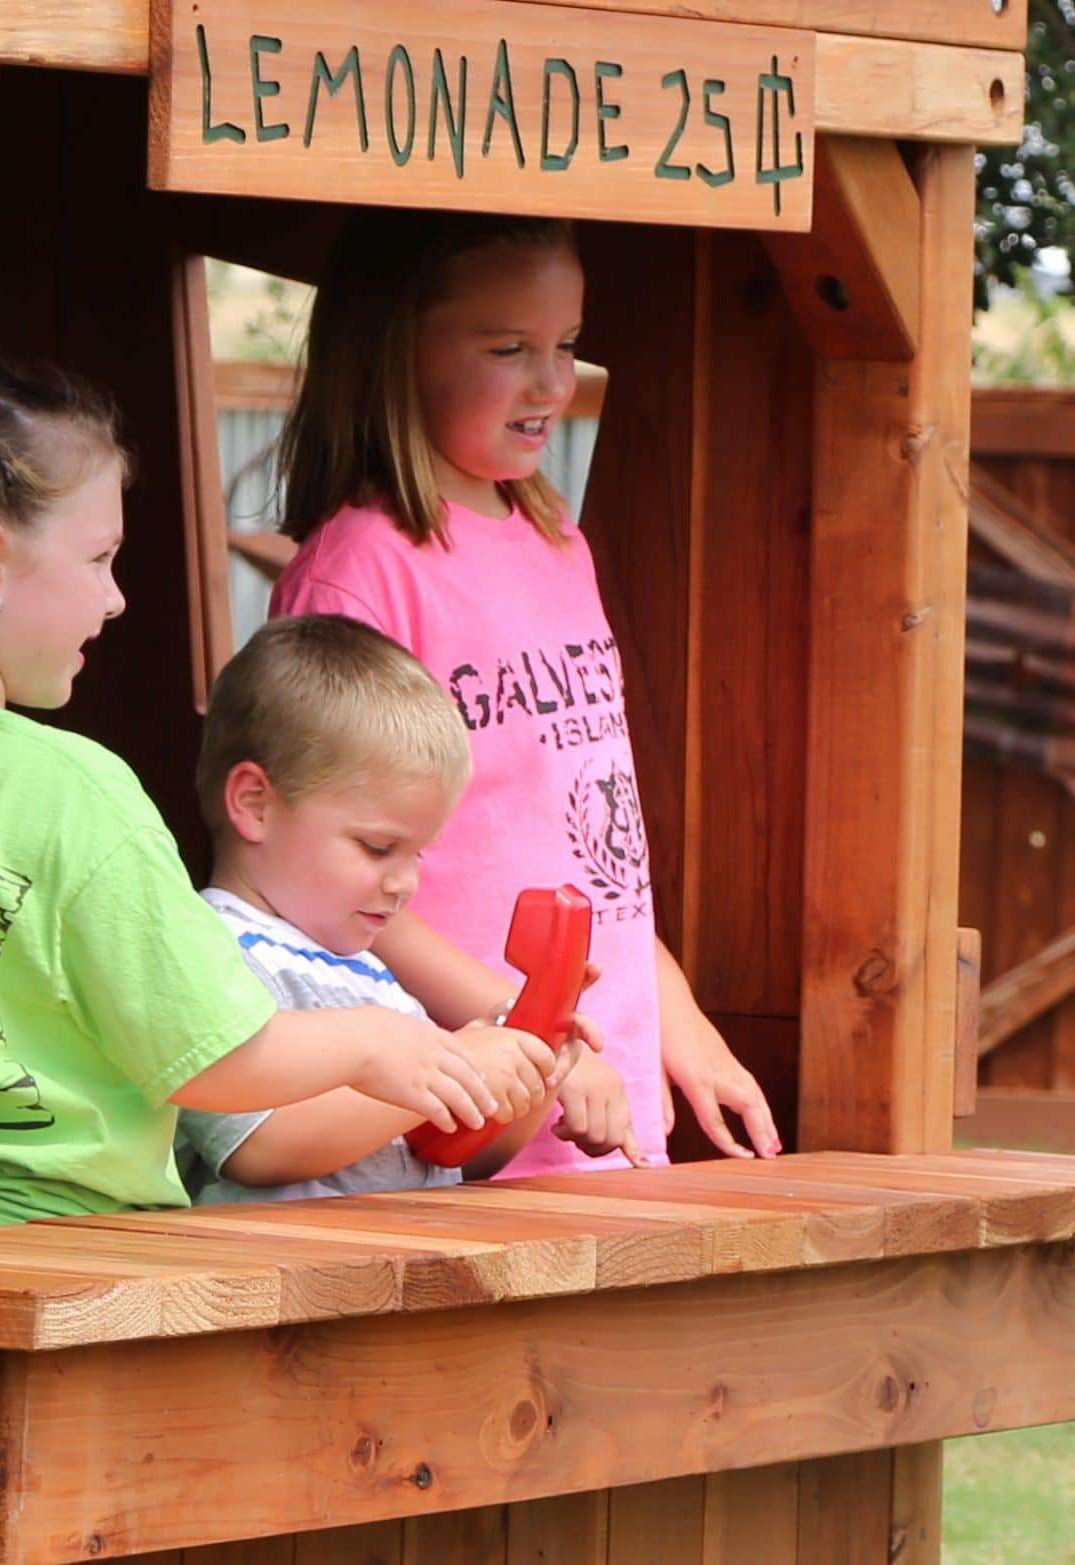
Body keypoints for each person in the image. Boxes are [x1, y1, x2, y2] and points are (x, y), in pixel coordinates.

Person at [0, 360, 554, 1240]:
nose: (116, 598)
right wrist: (379, 1041)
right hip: (46, 1247)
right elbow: (214, 1053)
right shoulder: (69, 789)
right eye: (99, 559)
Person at [270, 210, 782, 1173]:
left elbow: (593, 847)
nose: (553, 383)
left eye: (568, 345)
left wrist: (680, 1019)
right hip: (471, 1119)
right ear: (395, 349)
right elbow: (323, 876)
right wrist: (523, 1028)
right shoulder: (361, 573)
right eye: (509, 348)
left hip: (604, 1096)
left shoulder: (557, 543)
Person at [178, 615, 606, 1203]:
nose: (405, 883)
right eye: (377, 848)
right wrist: (441, 1070)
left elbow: (455, 1157)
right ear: (255, 805)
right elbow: (258, 1145)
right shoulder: (208, 949)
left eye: (418, 854)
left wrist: (529, 1069)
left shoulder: (374, 978)